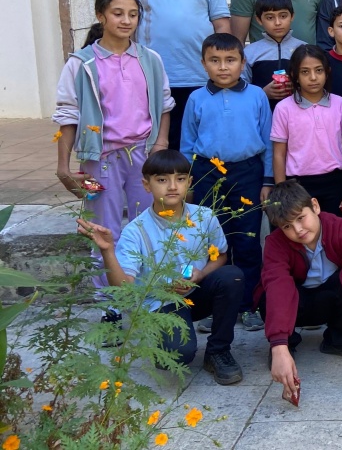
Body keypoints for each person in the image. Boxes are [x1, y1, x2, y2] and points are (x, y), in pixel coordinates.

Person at [54, 0, 175, 328]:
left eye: (132, 14)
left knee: (150, 225)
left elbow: (164, 105)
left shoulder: (150, 60)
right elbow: (67, 115)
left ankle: (151, 301)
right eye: (118, 13)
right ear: (101, 16)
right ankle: (111, 308)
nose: (126, 20)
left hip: (143, 157)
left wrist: (160, 143)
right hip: (99, 158)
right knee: (103, 230)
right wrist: (63, 166)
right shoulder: (82, 65)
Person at [78, 149, 244, 385]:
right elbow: (125, 287)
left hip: (195, 293)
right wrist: (107, 251)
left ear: (190, 182)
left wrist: (200, 275)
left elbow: (221, 256)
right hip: (160, 303)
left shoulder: (204, 216)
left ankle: (218, 351)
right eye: (162, 180)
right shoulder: (136, 230)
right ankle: (161, 340)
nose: (172, 186)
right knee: (179, 356)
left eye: (180, 179)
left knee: (232, 277)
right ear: (146, 185)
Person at [256, 180, 342, 404]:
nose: (298, 230)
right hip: (296, 302)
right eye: (287, 226)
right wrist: (278, 345)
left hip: (330, 298)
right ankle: (288, 344)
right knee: (267, 293)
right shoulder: (275, 244)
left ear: (315, 206)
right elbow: (279, 287)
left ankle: (340, 340)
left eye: (301, 218)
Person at [181, 33, 273, 332]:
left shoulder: (257, 95)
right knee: (212, 244)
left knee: (246, 241)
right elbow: (187, 145)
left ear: (243, 63)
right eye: (215, 61)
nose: (223, 67)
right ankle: (212, 305)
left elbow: (270, 141)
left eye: (231, 60)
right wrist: (189, 182)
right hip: (209, 175)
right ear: (203, 63)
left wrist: (268, 179)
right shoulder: (196, 99)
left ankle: (249, 305)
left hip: (248, 172)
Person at [121, 0, 230, 151]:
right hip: (151, 77)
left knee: (196, 140)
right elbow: (124, 24)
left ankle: (194, 187)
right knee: (156, 143)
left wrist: (221, 65)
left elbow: (221, 24)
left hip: (199, 76)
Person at [271, 45, 342, 216]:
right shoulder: (283, 108)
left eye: (318, 70)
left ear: (327, 72)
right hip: (299, 185)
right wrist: (282, 191)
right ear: (295, 75)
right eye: (305, 72)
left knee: (335, 234)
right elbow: (279, 154)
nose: (313, 77)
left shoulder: (340, 104)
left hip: (336, 182)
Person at [244, 0, 307, 108]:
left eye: (283, 16)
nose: (277, 22)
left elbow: (316, 84)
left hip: (298, 117)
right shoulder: (249, 53)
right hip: (262, 116)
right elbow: (240, 89)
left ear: (292, 16)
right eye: (269, 17)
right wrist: (263, 93)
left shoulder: (305, 49)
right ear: (259, 19)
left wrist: (298, 88)